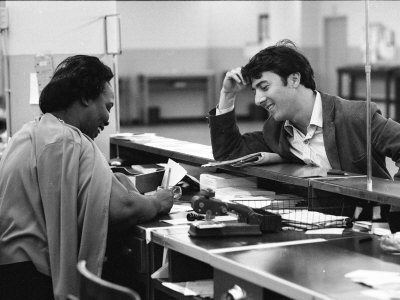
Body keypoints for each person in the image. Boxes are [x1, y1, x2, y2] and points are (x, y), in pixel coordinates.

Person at [0, 55, 174, 300]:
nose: (107, 119)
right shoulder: (71, 141)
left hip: (9, 273)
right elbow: (120, 208)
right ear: (85, 97)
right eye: (107, 106)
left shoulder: (28, 133)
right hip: (32, 280)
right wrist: (158, 201)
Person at [208, 39, 400, 219]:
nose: (258, 100)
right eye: (255, 91)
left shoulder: (357, 116)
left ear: (293, 80)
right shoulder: (275, 131)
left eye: (264, 87)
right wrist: (227, 95)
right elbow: (228, 153)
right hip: (318, 228)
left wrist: (395, 206)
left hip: (372, 225)